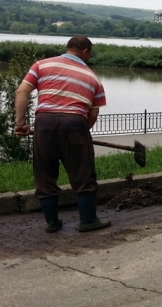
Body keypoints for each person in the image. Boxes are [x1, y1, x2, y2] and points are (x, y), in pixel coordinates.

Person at [14, 36, 111, 233]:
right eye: (90, 54)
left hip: (44, 122)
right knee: (83, 173)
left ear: (68, 48)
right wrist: (81, 132)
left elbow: (21, 92)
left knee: (45, 175)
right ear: (85, 52)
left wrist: (20, 123)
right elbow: (93, 112)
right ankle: (88, 221)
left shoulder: (41, 65)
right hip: (75, 123)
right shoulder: (92, 77)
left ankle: (52, 223)